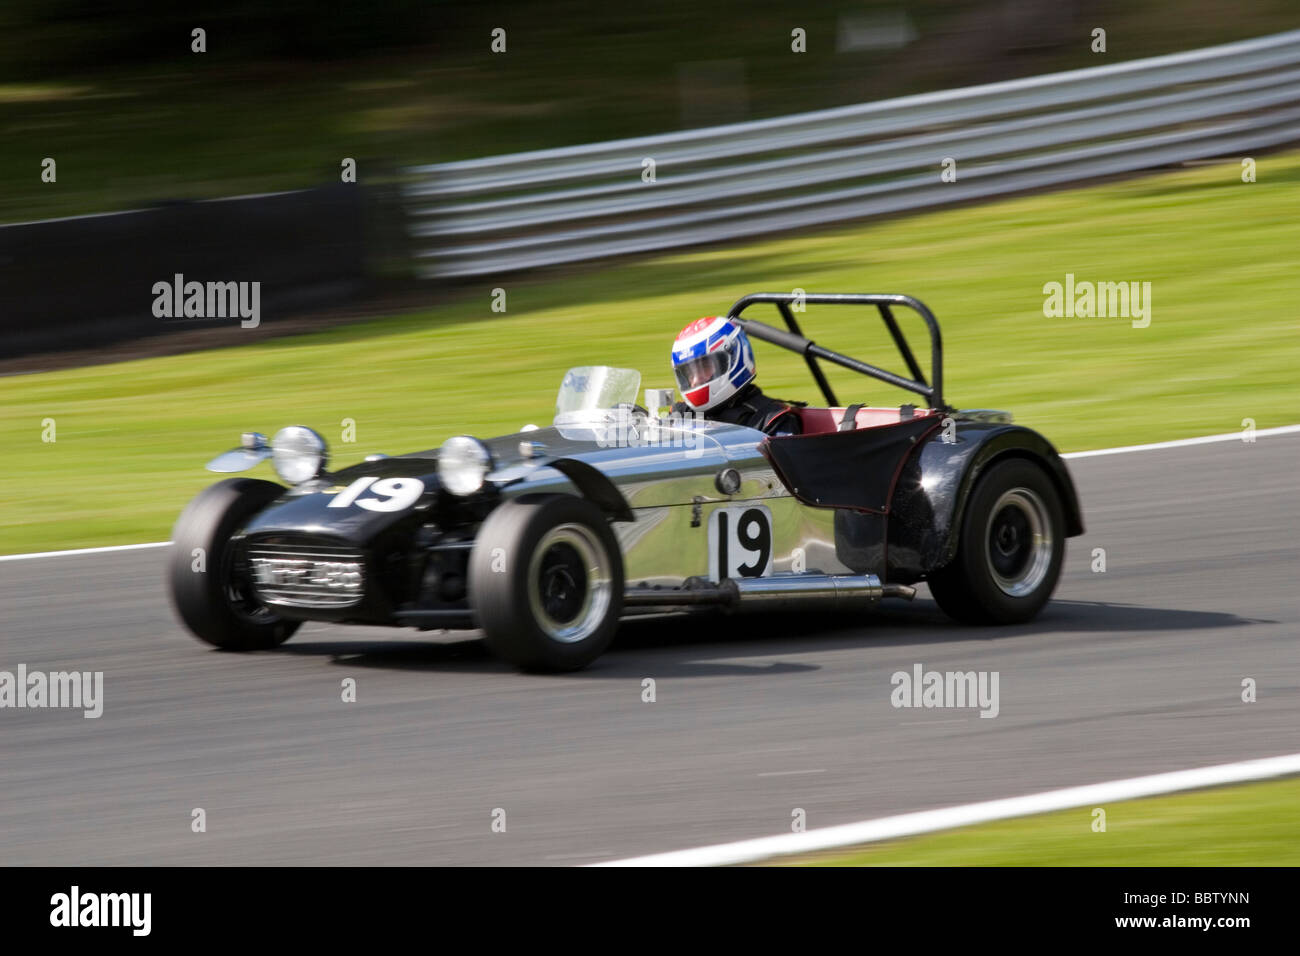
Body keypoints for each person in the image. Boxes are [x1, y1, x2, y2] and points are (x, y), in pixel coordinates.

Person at [670, 316, 802, 436]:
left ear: (733, 358)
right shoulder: (681, 416)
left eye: (704, 367)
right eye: (689, 373)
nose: (695, 381)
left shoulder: (772, 421)